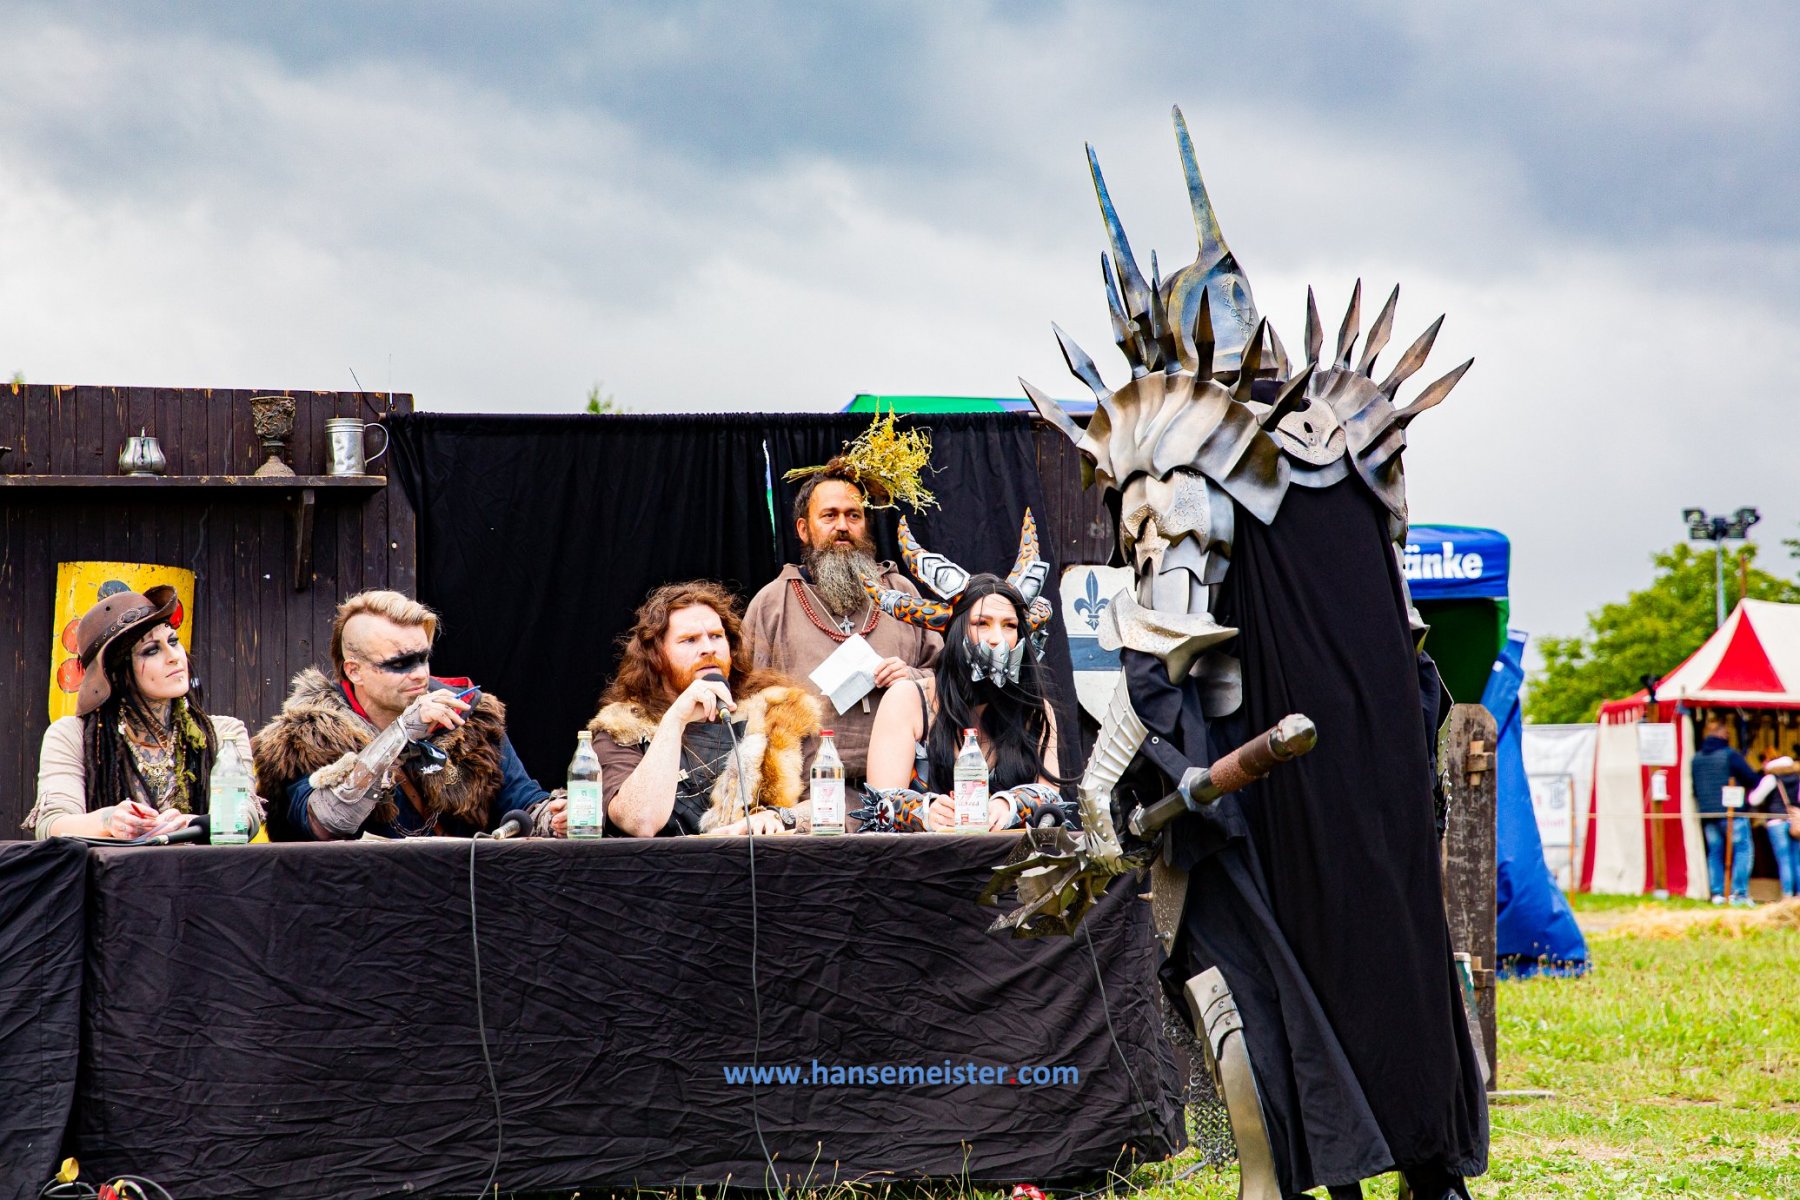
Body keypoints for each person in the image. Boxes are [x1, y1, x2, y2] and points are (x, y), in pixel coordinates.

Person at [253, 590, 562, 839]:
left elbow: (523, 802)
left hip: (460, 891)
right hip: (355, 893)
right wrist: (403, 732)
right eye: (399, 664)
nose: (420, 675)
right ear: (354, 671)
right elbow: (328, 822)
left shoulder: (469, 716)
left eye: (423, 658)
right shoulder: (308, 734)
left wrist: (554, 818)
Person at [861, 514, 1074, 832]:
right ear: (957, 632)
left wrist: (1009, 805)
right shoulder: (908, 700)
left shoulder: (1035, 709)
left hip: (1009, 858)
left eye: (1009, 625)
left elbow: (1052, 801)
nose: (996, 638)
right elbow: (879, 804)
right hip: (927, 859)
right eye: (981, 623)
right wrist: (925, 812)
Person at [744, 459, 941, 784]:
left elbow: (949, 680)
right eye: (829, 515)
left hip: (901, 793)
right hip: (807, 795)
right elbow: (746, 701)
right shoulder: (772, 603)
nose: (842, 526)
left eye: (853, 515)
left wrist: (911, 677)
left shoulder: (900, 593)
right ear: (803, 529)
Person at [27, 585, 265, 840]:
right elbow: (51, 825)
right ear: (115, 674)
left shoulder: (225, 734)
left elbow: (246, 818)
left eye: (173, 641)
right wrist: (108, 821)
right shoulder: (70, 735)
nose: (174, 657)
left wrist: (192, 824)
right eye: (152, 650)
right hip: (110, 866)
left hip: (198, 866)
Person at [591, 580, 822, 837]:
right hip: (670, 863)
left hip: (766, 861)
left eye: (716, 636)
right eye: (689, 640)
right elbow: (639, 822)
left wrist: (779, 816)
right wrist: (675, 720)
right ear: (656, 657)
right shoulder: (623, 729)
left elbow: (830, 803)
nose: (709, 649)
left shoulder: (779, 712)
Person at [1690, 717, 1759, 905]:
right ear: (1722, 732)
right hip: (1732, 812)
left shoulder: (1696, 758)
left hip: (1708, 813)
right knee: (1743, 850)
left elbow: (1695, 787)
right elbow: (1752, 779)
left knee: (1715, 852)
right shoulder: (1730, 755)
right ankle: (1739, 893)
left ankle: (1718, 893)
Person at [1751, 750, 1800, 899]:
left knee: (1783, 859)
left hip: (1776, 821)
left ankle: (1787, 894)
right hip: (1795, 821)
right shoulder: (1798, 779)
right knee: (1797, 859)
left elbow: (1754, 799)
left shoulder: (1771, 779)